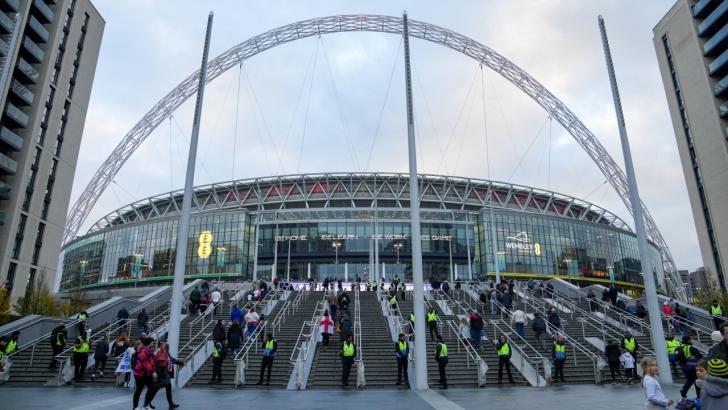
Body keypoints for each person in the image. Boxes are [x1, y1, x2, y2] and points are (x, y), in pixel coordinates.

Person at [149, 340, 183, 409]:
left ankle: (171, 404)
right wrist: (154, 372)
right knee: (156, 389)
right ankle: (147, 403)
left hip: (165, 374)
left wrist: (181, 363)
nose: (166, 345)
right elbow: (154, 363)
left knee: (168, 387)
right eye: (164, 344)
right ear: (161, 345)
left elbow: (172, 360)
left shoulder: (166, 352)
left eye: (165, 344)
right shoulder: (157, 352)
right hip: (159, 374)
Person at [132, 337, 157, 410]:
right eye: (152, 342)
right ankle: (135, 407)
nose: (153, 343)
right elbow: (145, 363)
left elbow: (152, 362)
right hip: (140, 374)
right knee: (139, 390)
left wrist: (153, 371)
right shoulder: (143, 351)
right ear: (149, 343)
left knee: (152, 388)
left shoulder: (149, 351)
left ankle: (146, 405)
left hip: (146, 374)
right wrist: (153, 372)